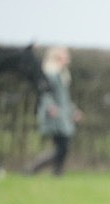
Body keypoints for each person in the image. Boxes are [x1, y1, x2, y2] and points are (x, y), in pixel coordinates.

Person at [27, 46, 81, 176]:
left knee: (63, 148)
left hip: (63, 115)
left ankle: (57, 172)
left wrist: (74, 111)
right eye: (65, 55)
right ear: (57, 57)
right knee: (61, 148)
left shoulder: (63, 74)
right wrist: (50, 106)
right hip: (54, 116)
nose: (68, 58)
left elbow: (65, 98)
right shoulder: (50, 74)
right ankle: (34, 169)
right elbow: (45, 94)